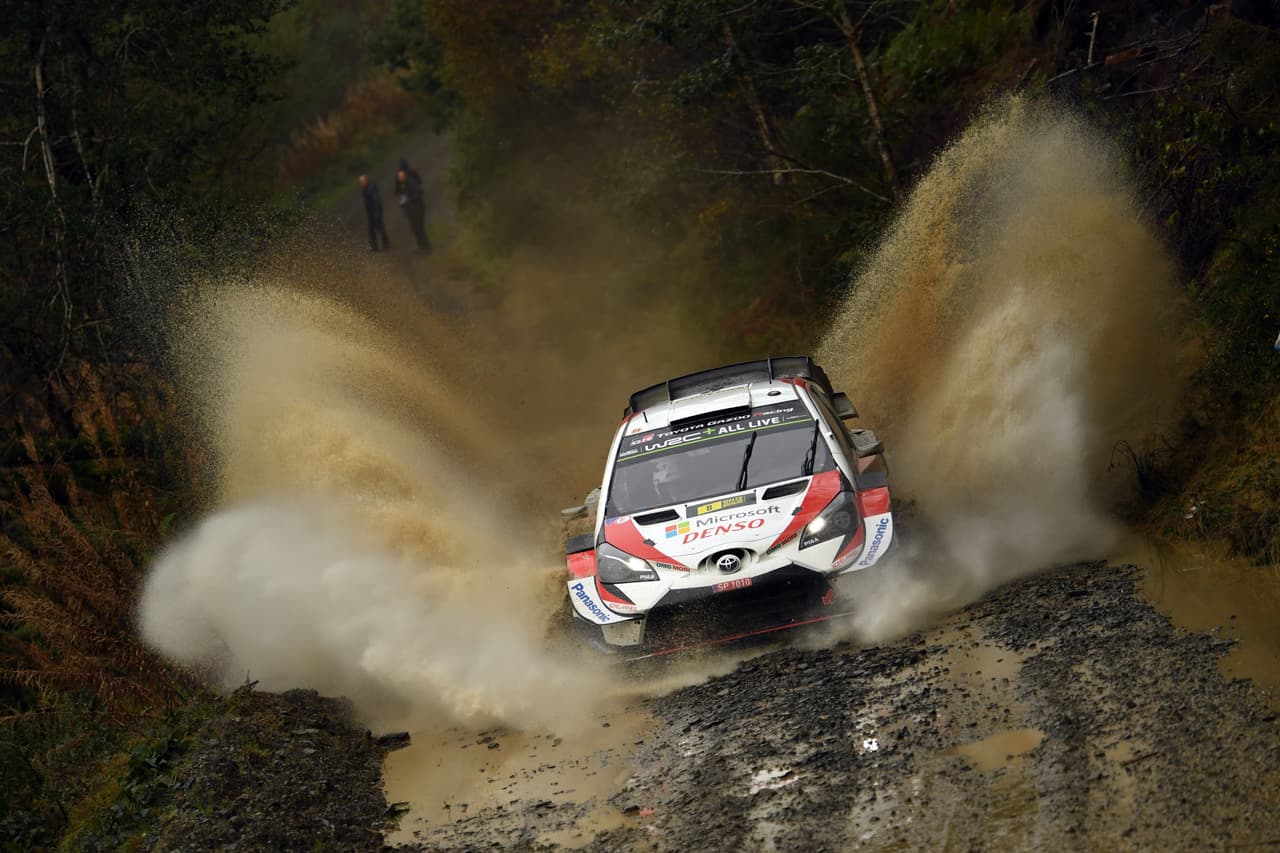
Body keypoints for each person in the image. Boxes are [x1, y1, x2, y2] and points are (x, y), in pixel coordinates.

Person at [394, 158, 430, 252]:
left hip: (415, 206)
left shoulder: (410, 180)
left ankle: (424, 246)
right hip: (412, 207)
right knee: (416, 228)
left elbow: (416, 192)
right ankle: (423, 246)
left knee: (418, 228)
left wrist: (408, 198)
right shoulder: (410, 175)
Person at [359, 174, 390, 251]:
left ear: (366, 181)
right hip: (371, 213)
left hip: (375, 212)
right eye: (360, 182)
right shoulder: (365, 189)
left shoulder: (370, 189)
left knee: (379, 228)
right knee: (372, 230)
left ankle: (385, 244)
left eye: (362, 181)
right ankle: (374, 246)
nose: (361, 183)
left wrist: (376, 213)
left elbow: (376, 200)